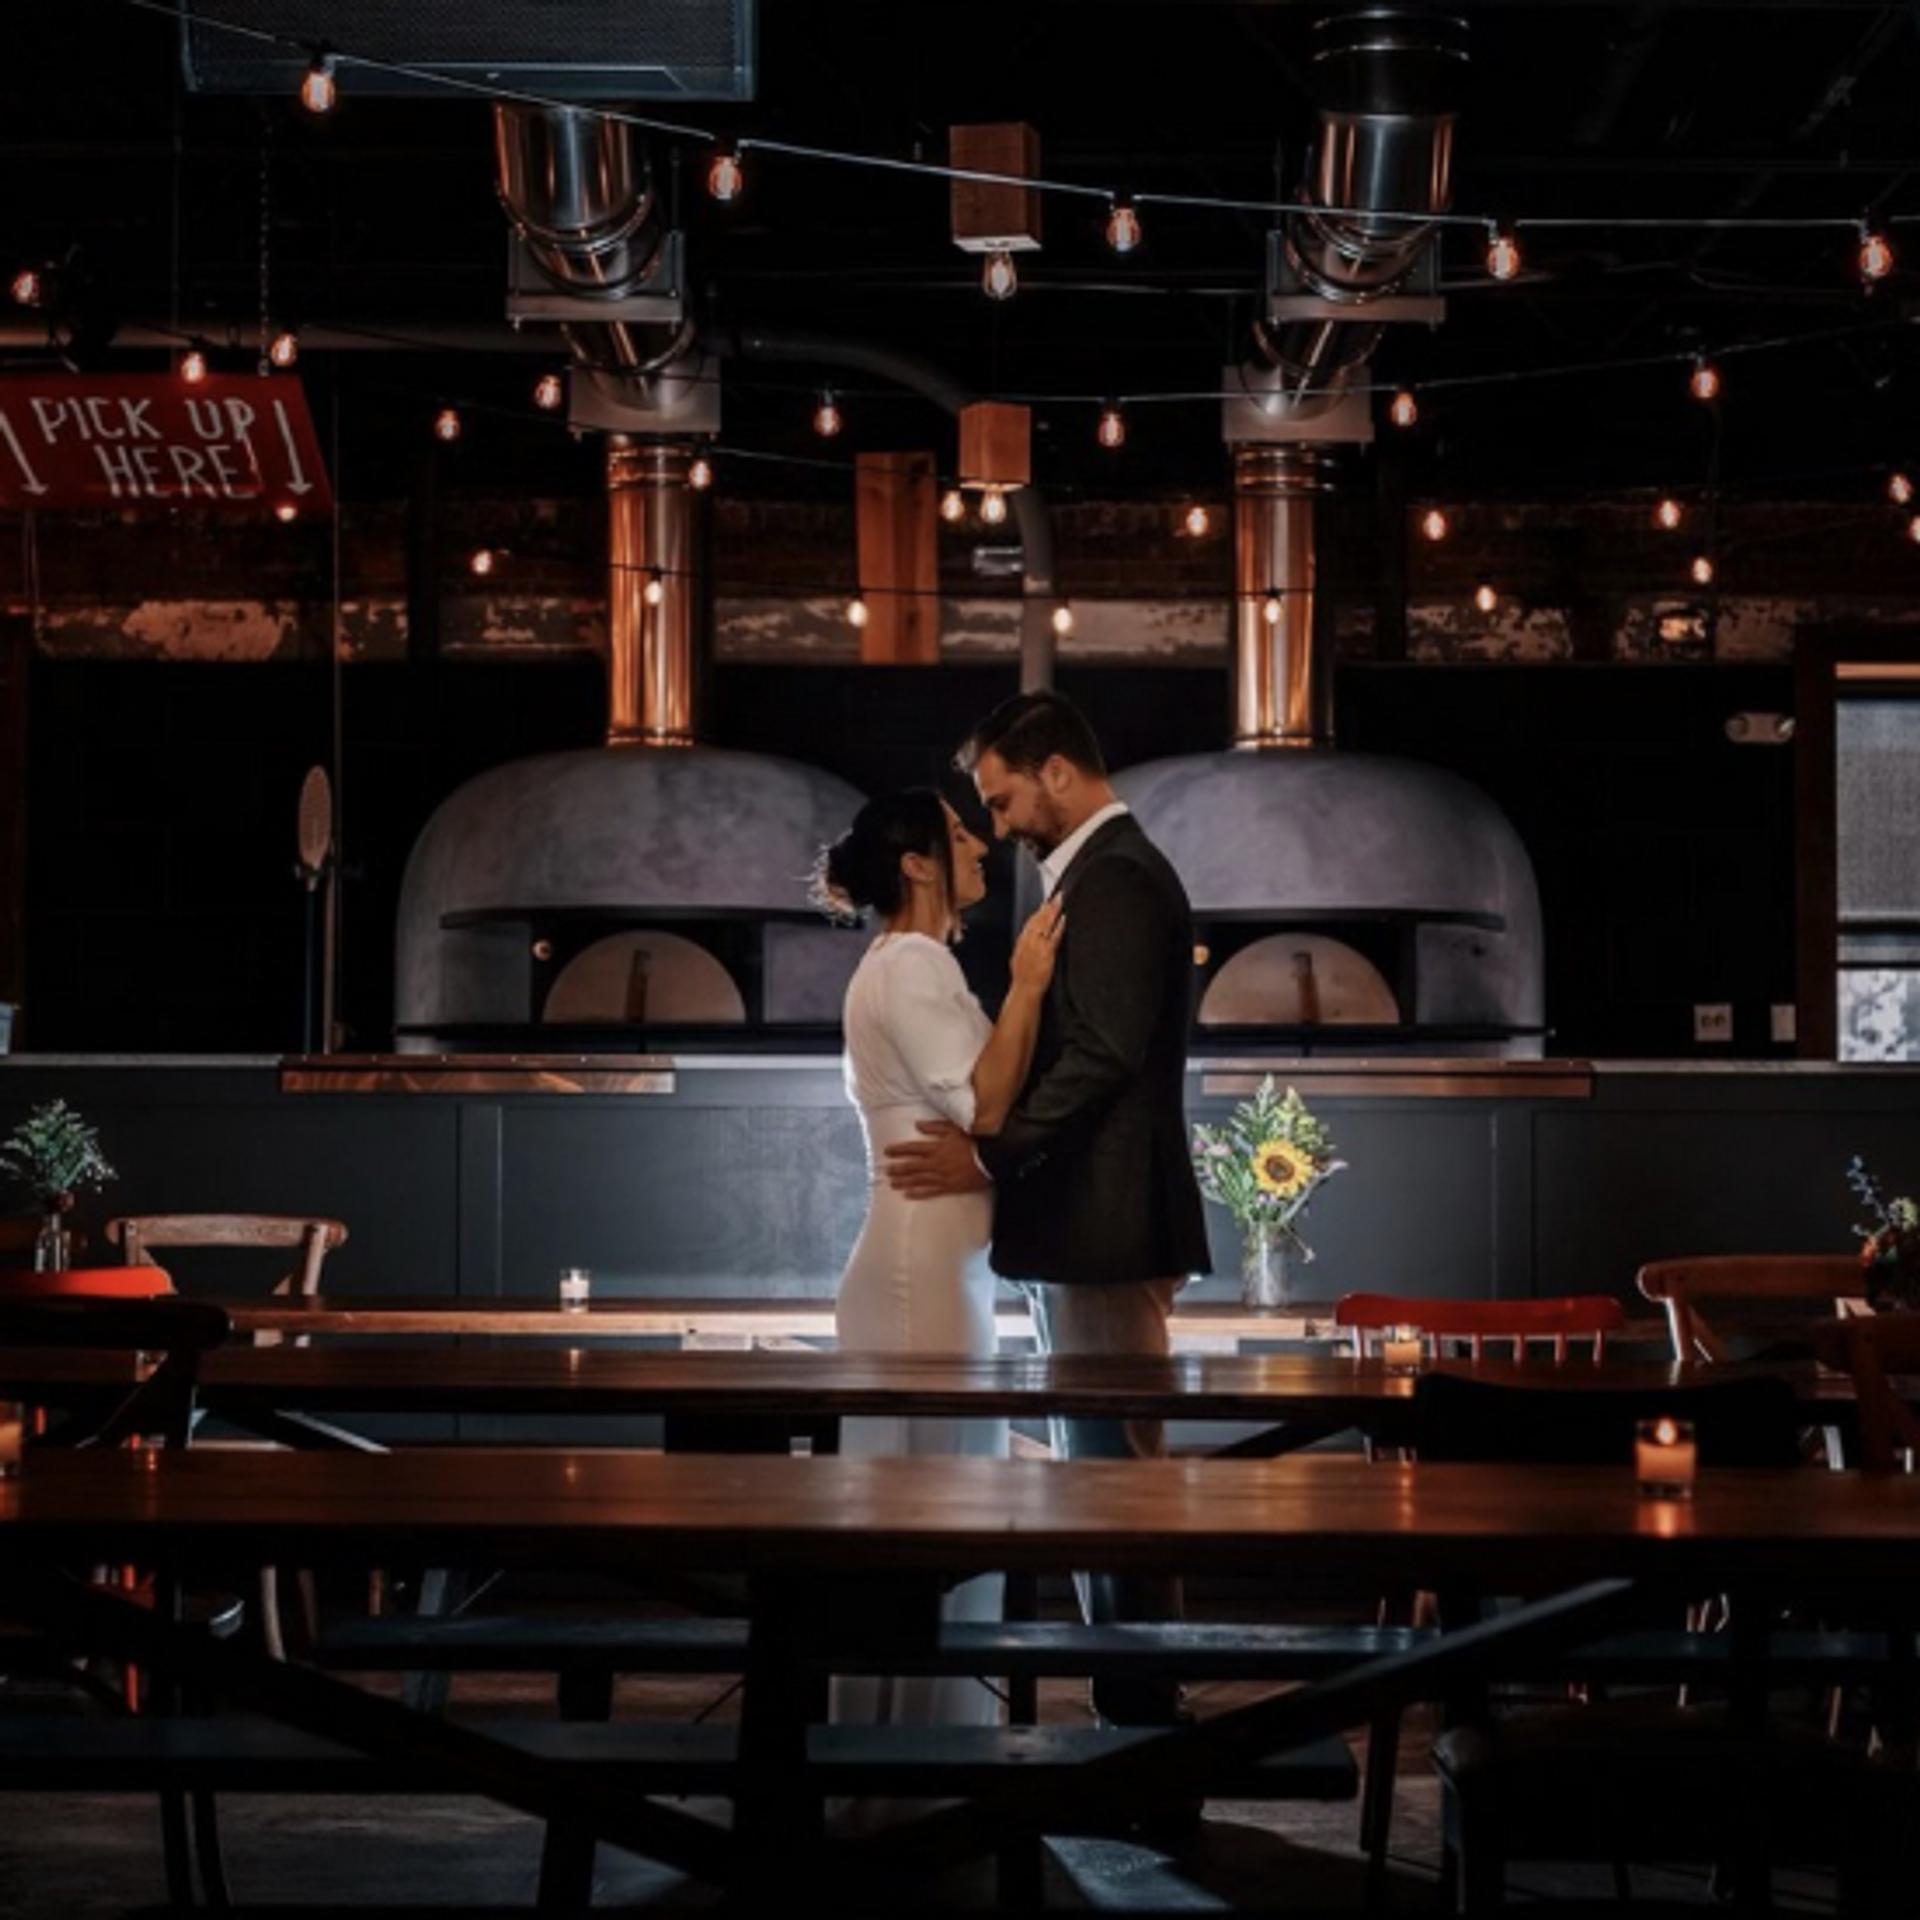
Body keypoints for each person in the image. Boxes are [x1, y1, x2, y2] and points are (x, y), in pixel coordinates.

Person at [884, 690, 1210, 1727]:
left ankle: (1145, 1726)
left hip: (1106, 1229)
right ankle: (1132, 1711)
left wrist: (994, 1155)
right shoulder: (1103, 874)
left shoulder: (1116, 878)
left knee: (1117, 1485)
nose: (999, 821)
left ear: (1060, 773)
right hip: (1092, 1224)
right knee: (1101, 1479)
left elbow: (1105, 1054)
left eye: (1006, 796)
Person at [813, 787, 1064, 1737]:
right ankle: (908, 1755)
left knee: (929, 1507)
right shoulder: (912, 963)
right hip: (921, 1276)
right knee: (931, 1517)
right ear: (916, 863)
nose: (982, 847)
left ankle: (909, 1743)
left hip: (931, 1266)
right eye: (961, 836)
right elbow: (987, 1108)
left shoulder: (907, 963)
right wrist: (1031, 983)